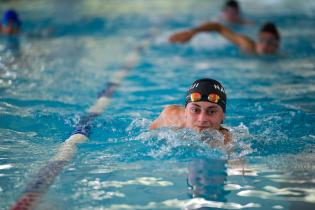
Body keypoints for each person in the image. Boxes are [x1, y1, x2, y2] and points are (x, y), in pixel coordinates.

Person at [150, 78, 231, 144]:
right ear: (185, 111)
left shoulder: (225, 142)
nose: (202, 119)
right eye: (195, 110)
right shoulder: (170, 116)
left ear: (223, 115)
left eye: (212, 112)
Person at [169, 21, 281, 55]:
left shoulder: (281, 59)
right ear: (257, 41)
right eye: (262, 40)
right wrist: (192, 32)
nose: (265, 45)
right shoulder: (247, 45)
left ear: (277, 45)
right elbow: (217, 26)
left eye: (270, 41)